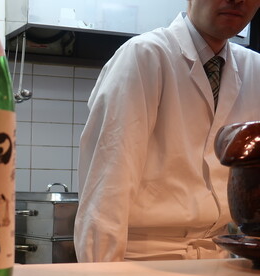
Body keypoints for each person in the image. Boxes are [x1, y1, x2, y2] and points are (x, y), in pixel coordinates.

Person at [74, 0, 260, 262]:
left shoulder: (255, 68)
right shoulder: (144, 55)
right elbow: (107, 188)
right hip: (143, 261)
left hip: (220, 259)